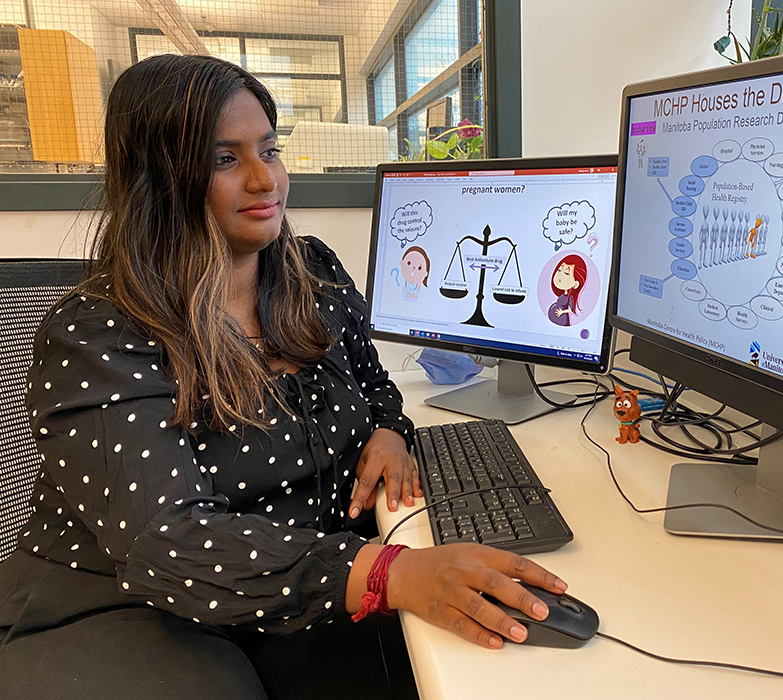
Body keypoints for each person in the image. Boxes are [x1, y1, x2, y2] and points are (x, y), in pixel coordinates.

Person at [0, 54, 567, 700]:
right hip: (129, 605)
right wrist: (389, 571)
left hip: (303, 590)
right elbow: (169, 541)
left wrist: (389, 432)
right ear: (160, 180)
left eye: (269, 150)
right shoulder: (99, 333)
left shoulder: (312, 274)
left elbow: (378, 386)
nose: (263, 178)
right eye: (224, 160)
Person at [547, 253, 588, 327]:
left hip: (562, 320)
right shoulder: (563, 294)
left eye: (566, 273)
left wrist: (562, 312)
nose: (560, 275)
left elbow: (571, 309)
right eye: (559, 270)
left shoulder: (570, 297)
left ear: (575, 284)